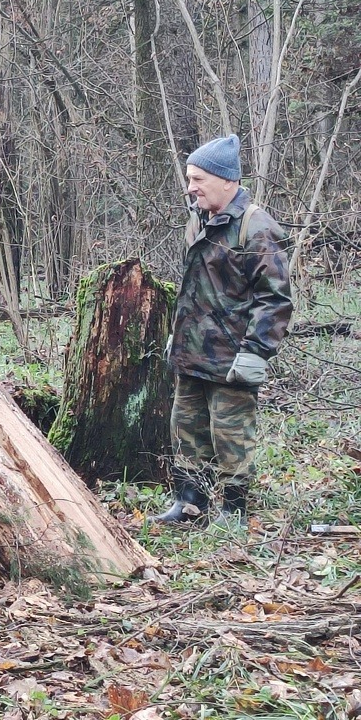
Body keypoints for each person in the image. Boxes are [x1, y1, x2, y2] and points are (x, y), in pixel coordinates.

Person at [152, 134, 293, 527]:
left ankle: (233, 510)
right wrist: (176, 335)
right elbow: (194, 288)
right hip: (191, 353)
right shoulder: (198, 220)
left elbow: (276, 298)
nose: (191, 187)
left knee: (232, 438)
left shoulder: (256, 227)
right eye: (189, 178)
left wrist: (256, 351)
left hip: (232, 357)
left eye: (198, 179)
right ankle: (190, 505)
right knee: (187, 432)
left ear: (227, 180)